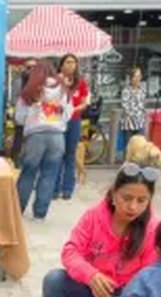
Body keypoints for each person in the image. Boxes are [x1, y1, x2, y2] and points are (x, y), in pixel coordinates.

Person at [38, 163, 160, 297]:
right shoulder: (93, 217)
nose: (133, 207)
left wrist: (122, 295)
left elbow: (151, 277)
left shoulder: (153, 228)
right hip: (92, 289)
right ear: (113, 194)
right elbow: (71, 251)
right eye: (127, 198)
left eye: (142, 200)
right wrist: (91, 275)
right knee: (54, 279)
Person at [14, 62, 70, 222]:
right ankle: (40, 213)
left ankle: (18, 210)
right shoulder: (63, 90)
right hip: (57, 137)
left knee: (28, 173)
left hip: (35, 136)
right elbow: (68, 113)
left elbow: (19, 117)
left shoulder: (30, 90)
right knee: (49, 175)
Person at [55, 54, 90, 200]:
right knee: (57, 155)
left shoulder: (80, 83)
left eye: (74, 63)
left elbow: (85, 102)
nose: (71, 65)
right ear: (62, 65)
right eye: (68, 62)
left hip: (74, 121)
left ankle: (67, 189)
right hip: (57, 121)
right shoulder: (55, 81)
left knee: (70, 155)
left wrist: (74, 109)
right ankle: (54, 189)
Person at [10, 58, 38, 163]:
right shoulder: (18, 81)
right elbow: (14, 99)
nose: (31, 70)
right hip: (22, 117)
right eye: (28, 67)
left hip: (36, 119)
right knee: (18, 143)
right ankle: (15, 164)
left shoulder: (41, 82)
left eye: (34, 68)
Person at [118, 67, 148, 155]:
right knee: (129, 145)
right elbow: (125, 106)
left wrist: (142, 116)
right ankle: (127, 164)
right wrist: (134, 114)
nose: (137, 79)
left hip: (140, 121)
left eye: (139, 76)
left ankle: (138, 165)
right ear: (131, 78)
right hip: (129, 122)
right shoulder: (126, 91)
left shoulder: (142, 90)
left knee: (140, 144)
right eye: (135, 76)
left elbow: (143, 104)